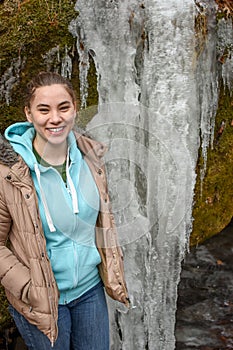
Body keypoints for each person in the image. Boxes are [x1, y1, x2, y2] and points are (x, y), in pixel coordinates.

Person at [0, 71, 129, 349]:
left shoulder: (91, 157)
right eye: (43, 110)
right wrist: (27, 287)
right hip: (42, 299)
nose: (55, 118)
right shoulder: (9, 172)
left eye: (63, 107)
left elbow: (103, 218)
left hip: (90, 290)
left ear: (75, 109)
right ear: (29, 114)